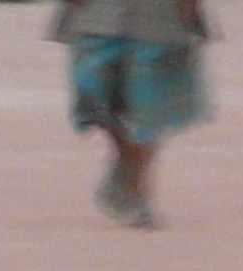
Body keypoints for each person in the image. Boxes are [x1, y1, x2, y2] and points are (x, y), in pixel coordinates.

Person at [55, 0, 207, 232]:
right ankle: (127, 165)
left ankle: (135, 188)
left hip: (159, 16)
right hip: (97, 15)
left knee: (151, 105)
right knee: (91, 92)